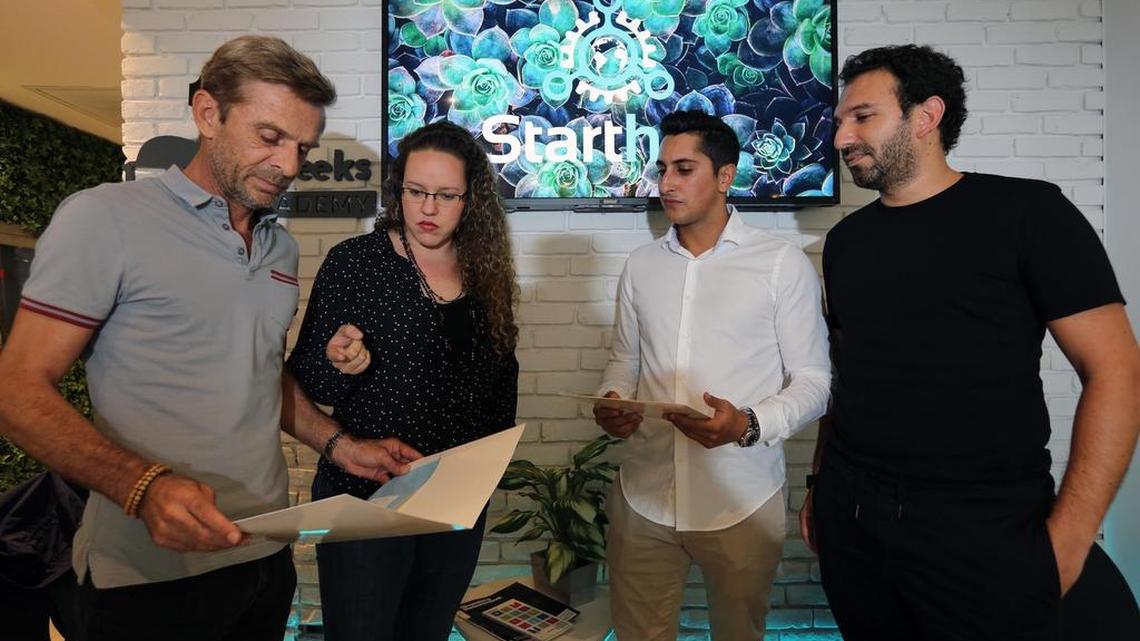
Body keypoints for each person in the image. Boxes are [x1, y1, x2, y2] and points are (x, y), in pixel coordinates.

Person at [0, 35, 420, 641]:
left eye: (302, 147)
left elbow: (258, 372)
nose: (289, 165)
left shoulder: (280, 246)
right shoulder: (104, 217)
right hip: (146, 580)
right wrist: (139, 488)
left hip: (263, 559)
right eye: (270, 137)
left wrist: (339, 445)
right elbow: (15, 390)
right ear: (207, 113)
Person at [801, 44, 1140, 641]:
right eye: (839, 122)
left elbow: (1116, 373)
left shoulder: (1028, 213)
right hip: (853, 518)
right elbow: (847, 372)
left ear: (926, 116)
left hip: (982, 525)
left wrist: (1072, 537)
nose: (840, 138)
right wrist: (819, 486)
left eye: (862, 117)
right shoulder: (847, 241)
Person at [592, 109, 831, 641]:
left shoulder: (779, 263)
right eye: (661, 170)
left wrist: (746, 424)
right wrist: (612, 400)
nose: (666, 185)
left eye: (683, 169)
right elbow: (624, 360)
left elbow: (815, 380)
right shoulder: (642, 265)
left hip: (741, 496)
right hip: (645, 494)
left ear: (725, 176)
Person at [286, 120, 520, 641]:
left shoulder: (486, 269)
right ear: (398, 191)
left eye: (446, 195)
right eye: (416, 192)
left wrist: (487, 469)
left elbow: (502, 378)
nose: (428, 209)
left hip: (455, 504)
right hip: (368, 497)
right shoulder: (357, 263)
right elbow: (307, 385)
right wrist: (338, 360)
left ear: (471, 200)